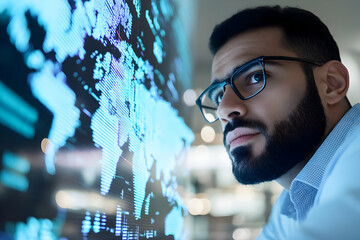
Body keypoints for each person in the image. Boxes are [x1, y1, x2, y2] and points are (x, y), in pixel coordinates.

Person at [195, 5, 360, 239]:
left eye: (256, 76)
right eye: (219, 95)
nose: (224, 109)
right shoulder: (291, 204)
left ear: (331, 84)